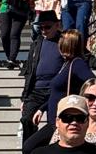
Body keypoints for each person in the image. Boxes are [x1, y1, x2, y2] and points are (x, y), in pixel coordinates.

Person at [20, 14, 63, 143]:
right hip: (36, 90)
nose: (44, 31)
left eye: (47, 27)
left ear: (57, 25)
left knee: (54, 123)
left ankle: (46, 147)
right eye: (41, 28)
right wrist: (24, 97)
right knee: (26, 119)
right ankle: (30, 151)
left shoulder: (64, 41)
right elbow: (29, 71)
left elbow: (85, 57)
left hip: (55, 90)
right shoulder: (37, 43)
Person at [45, 29, 94, 125]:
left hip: (65, 121)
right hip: (56, 121)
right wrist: (42, 109)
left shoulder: (77, 64)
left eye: (60, 41)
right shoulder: (67, 63)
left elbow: (95, 83)